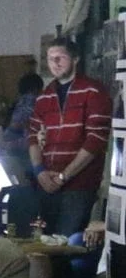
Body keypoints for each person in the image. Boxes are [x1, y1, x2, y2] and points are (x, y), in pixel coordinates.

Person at [24, 37, 111, 236]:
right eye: (50, 59)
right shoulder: (45, 96)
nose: (54, 64)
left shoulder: (93, 91)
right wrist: (39, 171)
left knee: (67, 244)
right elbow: (33, 138)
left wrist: (64, 176)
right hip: (46, 183)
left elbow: (96, 140)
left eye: (60, 58)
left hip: (79, 185)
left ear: (75, 59)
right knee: (44, 244)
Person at [0, 72, 45, 180]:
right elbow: (29, 136)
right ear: (36, 89)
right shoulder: (32, 103)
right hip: (26, 158)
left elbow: (10, 131)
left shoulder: (18, 103)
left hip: (12, 157)